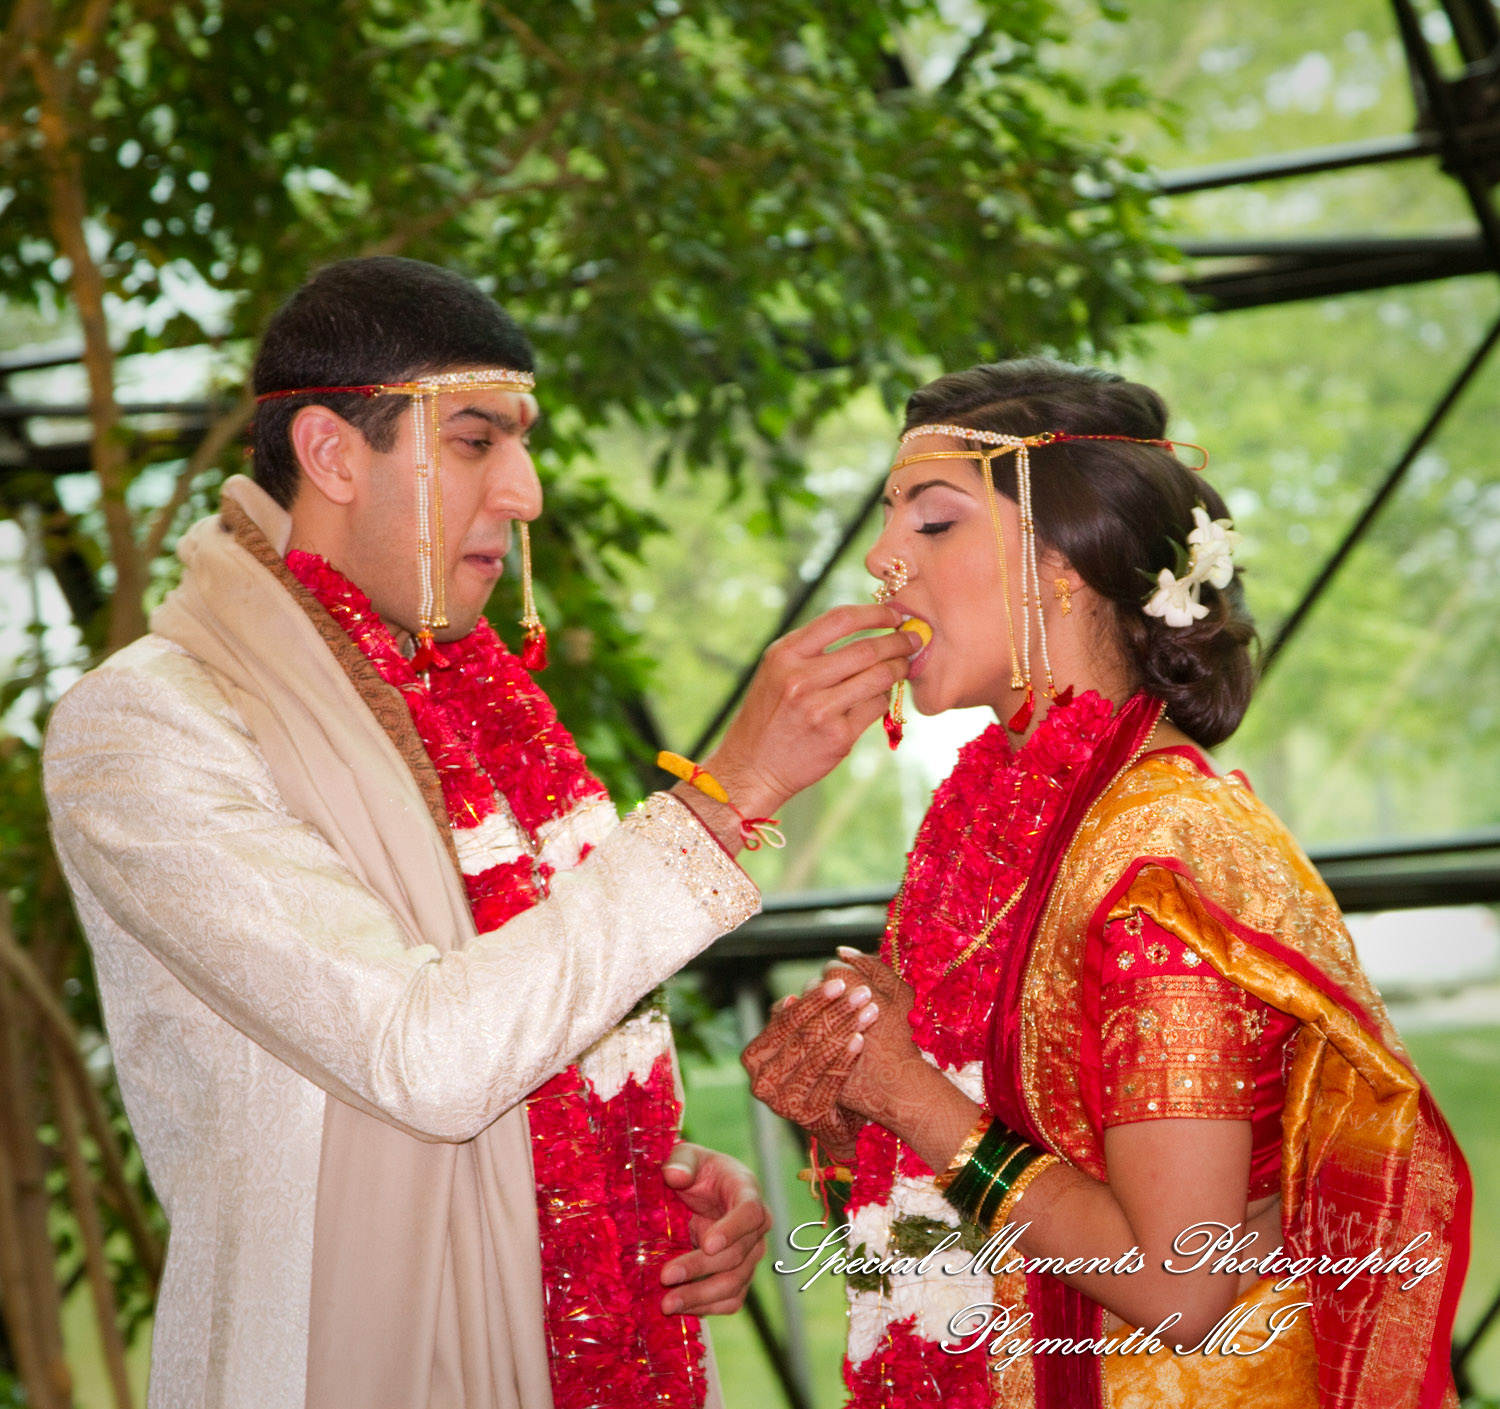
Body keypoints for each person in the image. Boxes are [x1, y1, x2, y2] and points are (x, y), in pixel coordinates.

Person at [41, 256, 920, 1409]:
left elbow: (511, 1031)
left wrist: (632, 1176)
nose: (525, 492)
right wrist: (727, 791)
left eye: (520, 443)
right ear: (332, 453)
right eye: (474, 441)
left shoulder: (465, 705)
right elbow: (424, 1055)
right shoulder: (151, 723)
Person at [744, 359, 1469, 1409]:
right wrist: (851, 1106)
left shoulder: (1160, 856)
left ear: (1065, 565)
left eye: (933, 520)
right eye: (890, 517)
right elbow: (991, 1170)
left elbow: (1181, 1282)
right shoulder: (997, 818)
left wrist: (909, 1094)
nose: (881, 557)